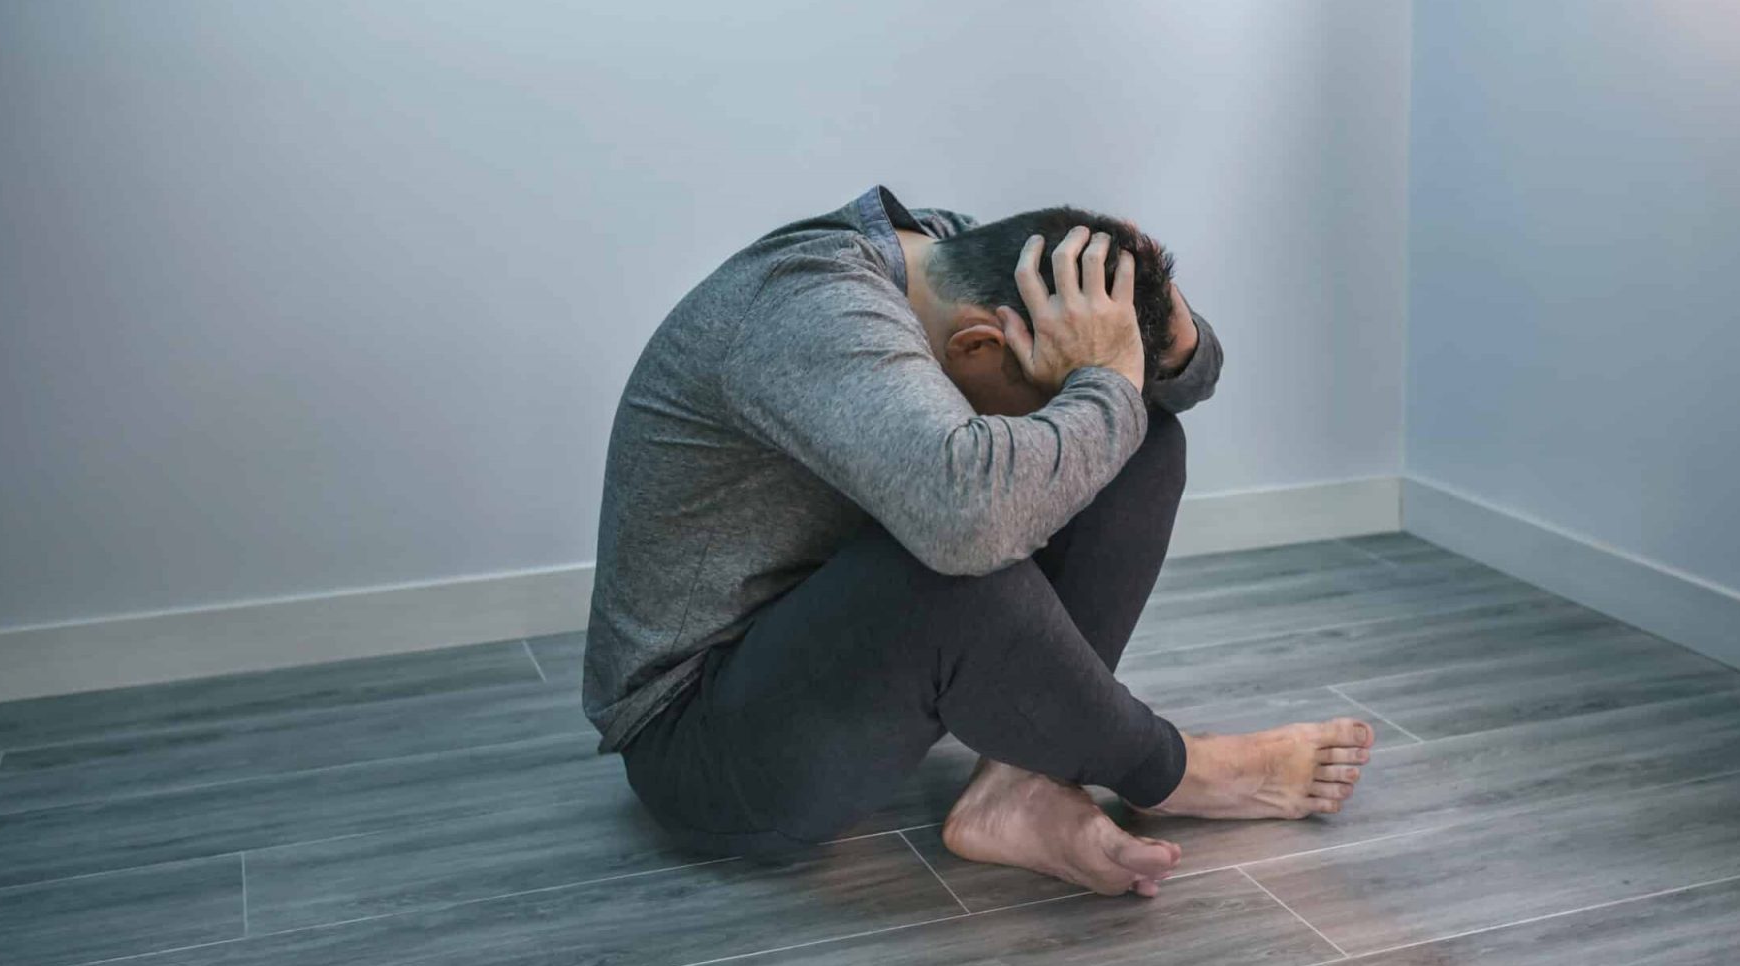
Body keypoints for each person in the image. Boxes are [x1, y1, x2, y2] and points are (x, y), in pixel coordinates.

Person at [582, 186, 1374, 897]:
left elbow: (1180, 385)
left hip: (826, 658)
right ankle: (1174, 771)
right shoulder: (812, 315)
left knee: (1142, 440)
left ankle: (1019, 786)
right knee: (958, 557)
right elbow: (966, 528)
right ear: (975, 349)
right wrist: (1102, 388)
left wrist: (1163, 332)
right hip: (701, 743)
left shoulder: (956, 258)